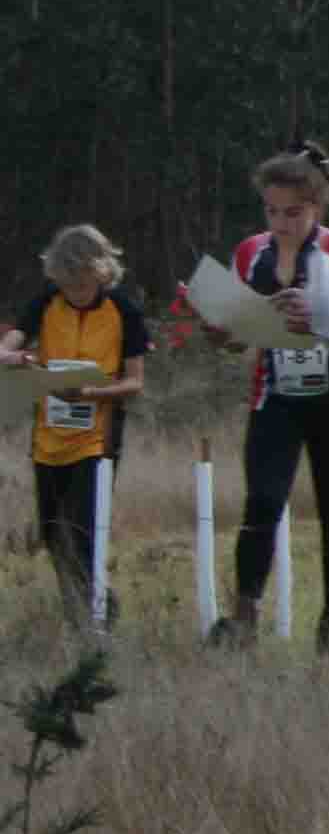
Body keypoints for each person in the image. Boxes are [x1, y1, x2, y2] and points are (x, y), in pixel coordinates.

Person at [209, 145, 329, 649]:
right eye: (271, 211)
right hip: (274, 399)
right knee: (262, 502)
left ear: (316, 207)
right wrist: (224, 327)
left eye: (293, 213)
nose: (280, 222)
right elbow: (231, 336)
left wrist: (315, 313)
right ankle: (244, 617)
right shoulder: (249, 252)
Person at [1, 226, 148, 628]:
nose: (76, 292)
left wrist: (90, 393)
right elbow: (9, 343)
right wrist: (10, 357)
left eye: (84, 283)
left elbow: (135, 382)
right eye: (68, 284)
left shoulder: (125, 311)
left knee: (81, 532)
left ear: (103, 273)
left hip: (97, 440)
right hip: (48, 439)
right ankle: (89, 605)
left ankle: (89, 622)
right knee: (52, 536)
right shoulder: (46, 302)